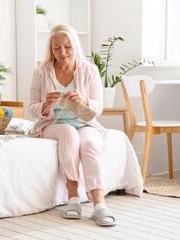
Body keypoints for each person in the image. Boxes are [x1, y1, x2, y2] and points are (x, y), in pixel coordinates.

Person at [28, 24, 116, 226]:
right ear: (51, 49)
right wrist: (45, 104)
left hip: (84, 122)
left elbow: (98, 108)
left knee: (90, 144)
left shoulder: (89, 70)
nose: (62, 52)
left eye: (67, 47)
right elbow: (31, 108)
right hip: (53, 124)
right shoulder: (41, 72)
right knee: (68, 132)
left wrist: (84, 101)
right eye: (56, 48)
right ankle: (73, 197)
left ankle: (99, 204)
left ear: (75, 45)